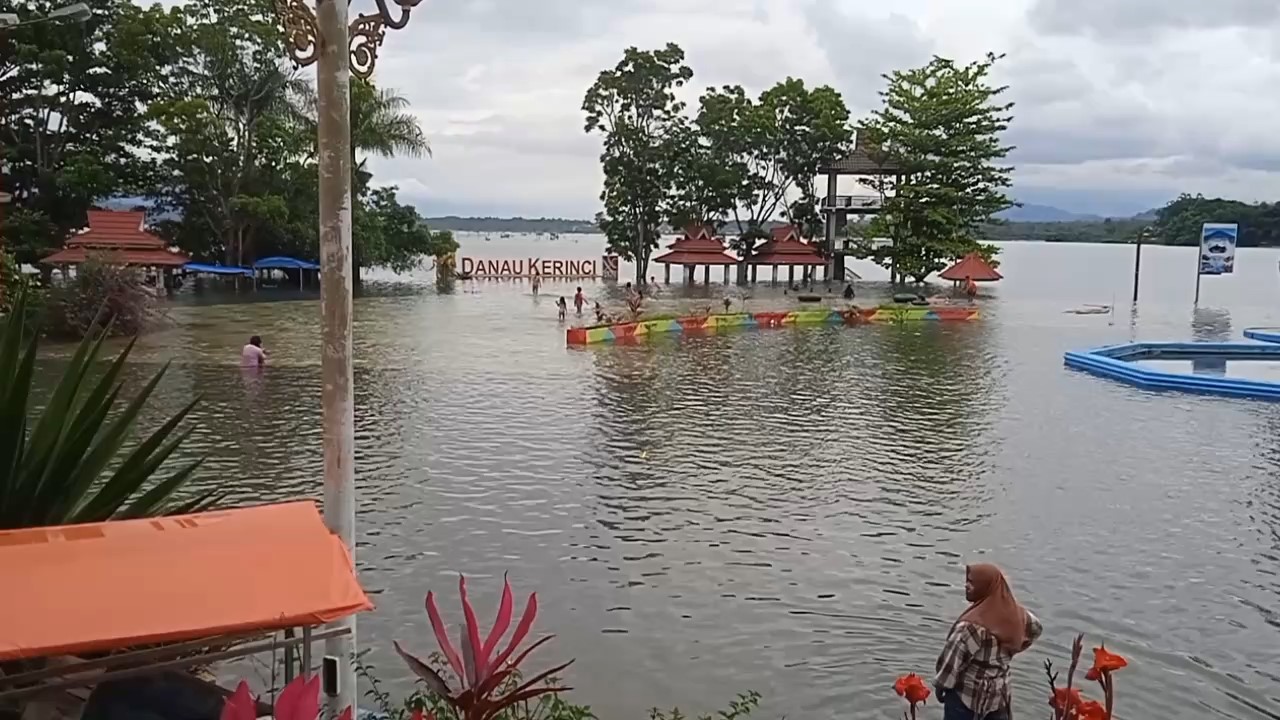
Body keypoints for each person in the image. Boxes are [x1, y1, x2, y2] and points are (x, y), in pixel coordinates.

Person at [935, 564, 1042, 720]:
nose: (966, 586)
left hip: (967, 696)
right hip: (999, 695)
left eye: (972, 582)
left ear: (986, 586)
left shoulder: (971, 626)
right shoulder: (1019, 615)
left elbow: (950, 662)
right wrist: (1015, 647)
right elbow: (1036, 629)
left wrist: (941, 686)